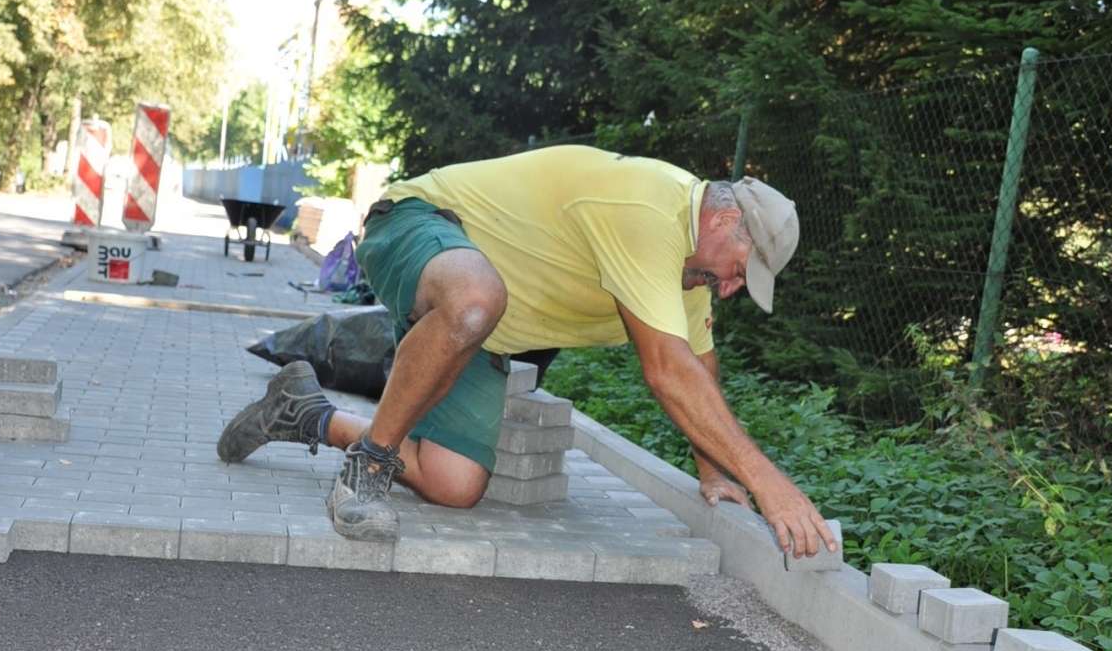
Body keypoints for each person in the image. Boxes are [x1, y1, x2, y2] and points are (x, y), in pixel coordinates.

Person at [217, 145, 837, 557]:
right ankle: (365, 471)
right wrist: (771, 486)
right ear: (726, 225)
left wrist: (717, 475)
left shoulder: (689, 270)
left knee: (454, 484)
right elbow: (666, 371)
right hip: (416, 222)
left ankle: (302, 411)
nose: (728, 289)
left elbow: (698, 368)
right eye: (738, 272)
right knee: (477, 299)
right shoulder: (647, 206)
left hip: (478, 326)